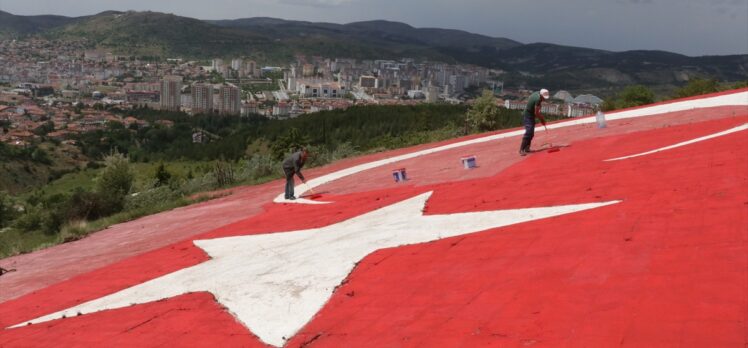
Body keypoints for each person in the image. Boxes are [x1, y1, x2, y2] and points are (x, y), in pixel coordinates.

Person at [519, 88, 550, 156]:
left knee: (531, 133)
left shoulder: (537, 93)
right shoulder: (538, 99)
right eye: (544, 97)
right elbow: (536, 113)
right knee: (529, 132)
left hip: (530, 115)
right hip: (528, 116)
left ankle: (527, 148)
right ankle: (521, 149)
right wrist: (542, 119)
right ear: (541, 95)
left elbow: (536, 110)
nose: (545, 99)